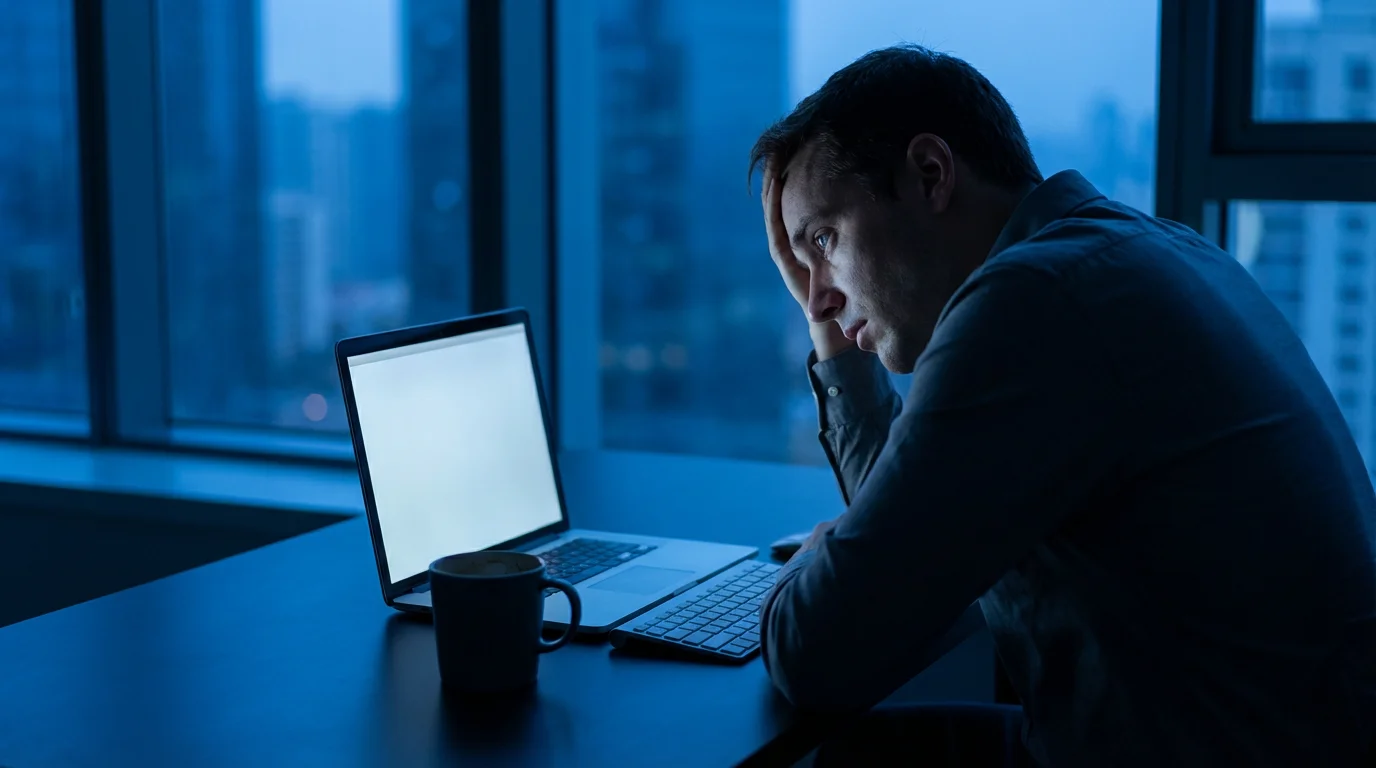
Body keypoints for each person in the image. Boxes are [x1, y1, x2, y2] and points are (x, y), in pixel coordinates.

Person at [751, 44, 1376, 767]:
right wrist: (829, 333)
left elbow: (820, 652)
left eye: (824, 240)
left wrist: (819, 557)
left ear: (930, 174)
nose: (818, 292)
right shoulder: (1145, 249)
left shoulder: (1032, 305)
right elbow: (910, 557)